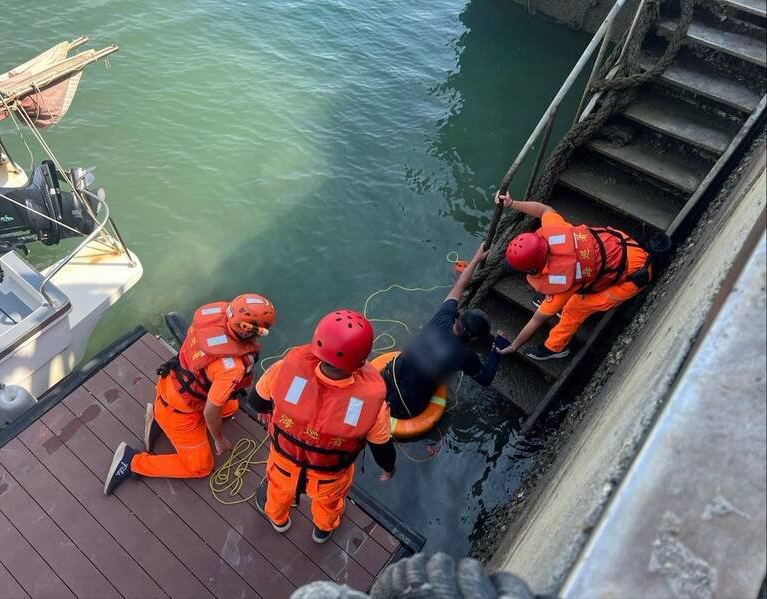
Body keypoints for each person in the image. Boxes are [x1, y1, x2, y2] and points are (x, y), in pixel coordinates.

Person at [103, 293, 276, 495]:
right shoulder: (232, 368)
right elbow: (211, 412)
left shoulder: (212, 321)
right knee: (200, 467)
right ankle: (133, 461)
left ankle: (157, 419)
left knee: (231, 408)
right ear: (249, 330)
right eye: (262, 331)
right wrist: (219, 441)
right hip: (179, 412)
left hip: (170, 384)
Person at [249, 310, 396, 544]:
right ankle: (323, 530)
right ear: (360, 361)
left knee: (277, 493)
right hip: (329, 478)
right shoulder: (371, 406)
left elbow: (256, 401)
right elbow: (382, 449)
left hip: (283, 464)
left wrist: (271, 412)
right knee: (329, 504)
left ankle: (279, 521)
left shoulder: (283, 370)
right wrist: (389, 469)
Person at [496, 191, 652, 360]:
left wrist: (513, 346)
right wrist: (512, 203)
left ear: (533, 269)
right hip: (623, 244)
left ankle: (554, 348)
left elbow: (536, 320)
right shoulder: (556, 230)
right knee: (576, 284)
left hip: (633, 277)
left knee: (574, 309)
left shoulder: (562, 285)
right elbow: (544, 210)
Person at [382, 243, 509, 419]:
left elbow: (460, 285)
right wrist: (497, 351)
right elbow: (485, 380)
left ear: (458, 317)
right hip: (406, 406)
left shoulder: (442, 317)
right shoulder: (465, 355)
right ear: (473, 339)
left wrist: (476, 259)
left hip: (386, 377)